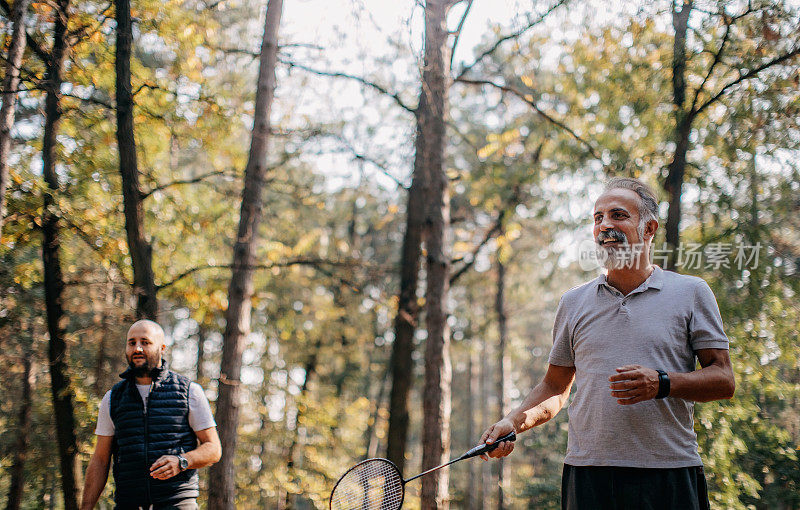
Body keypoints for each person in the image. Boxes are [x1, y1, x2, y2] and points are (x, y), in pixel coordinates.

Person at [481, 177, 735, 510]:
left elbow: (724, 380)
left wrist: (662, 383)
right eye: (598, 218)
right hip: (588, 475)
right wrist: (511, 423)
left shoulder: (690, 292)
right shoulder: (573, 302)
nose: (605, 226)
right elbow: (556, 387)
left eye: (618, 215)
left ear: (649, 229)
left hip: (669, 472)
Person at [80, 320, 222, 510]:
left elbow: (213, 449)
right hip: (128, 504)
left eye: (145, 342)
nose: (137, 348)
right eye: (132, 343)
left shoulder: (189, 392)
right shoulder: (113, 398)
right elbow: (100, 459)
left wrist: (182, 461)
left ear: (162, 348)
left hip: (177, 503)